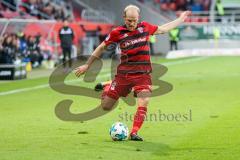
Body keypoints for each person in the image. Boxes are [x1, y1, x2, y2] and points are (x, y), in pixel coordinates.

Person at [75, 5, 191, 141]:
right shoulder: (117, 32)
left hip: (143, 75)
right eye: (129, 20)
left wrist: (180, 19)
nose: (132, 23)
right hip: (124, 75)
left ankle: (134, 132)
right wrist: (87, 65)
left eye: (134, 20)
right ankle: (108, 86)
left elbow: (164, 28)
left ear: (138, 18)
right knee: (106, 106)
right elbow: (101, 47)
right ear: (124, 18)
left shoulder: (145, 27)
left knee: (144, 100)